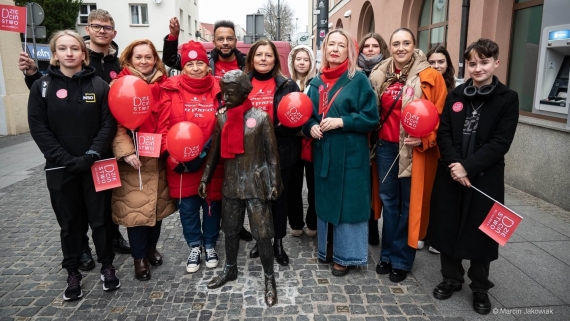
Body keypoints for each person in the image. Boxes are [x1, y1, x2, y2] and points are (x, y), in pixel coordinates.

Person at [18, 9, 130, 272]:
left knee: (102, 214)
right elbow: (40, 126)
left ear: (83, 53)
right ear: (55, 54)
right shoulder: (43, 85)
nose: (69, 53)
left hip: (99, 159)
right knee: (71, 217)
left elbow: (108, 121)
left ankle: (108, 256)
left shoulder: (111, 72)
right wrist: (66, 159)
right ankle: (79, 253)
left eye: (74, 49)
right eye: (62, 48)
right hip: (62, 164)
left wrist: (92, 154)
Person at [429, 39, 519, 315]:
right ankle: (451, 277)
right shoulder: (456, 95)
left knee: (483, 231)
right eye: (472, 63)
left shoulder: (507, 98)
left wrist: (468, 167)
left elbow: (500, 142)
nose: (478, 68)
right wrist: (455, 165)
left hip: (484, 177)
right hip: (451, 174)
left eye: (483, 62)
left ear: (496, 63)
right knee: (448, 224)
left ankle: (480, 286)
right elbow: (443, 132)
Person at [162, 18, 252, 241]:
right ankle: (197, 244)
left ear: (235, 40)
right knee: (190, 207)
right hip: (185, 160)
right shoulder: (176, 87)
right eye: (220, 38)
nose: (225, 42)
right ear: (213, 41)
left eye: (229, 38)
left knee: (220, 199)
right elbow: (174, 59)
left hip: (220, 151)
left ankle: (227, 232)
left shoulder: (244, 64)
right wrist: (173, 38)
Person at [369, 28, 447, 283]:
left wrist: (425, 137)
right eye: (396, 43)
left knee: (408, 205)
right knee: (389, 202)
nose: (401, 48)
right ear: (389, 47)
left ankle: (402, 259)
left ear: (414, 45)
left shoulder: (431, 76)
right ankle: (388, 254)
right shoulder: (379, 74)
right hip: (385, 147)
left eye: (406, 43)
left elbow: (441, 118)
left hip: (414, 149)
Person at [200, 70, 281, 307]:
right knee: (231, 229)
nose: (225, 96)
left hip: (256, 184)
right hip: (232, 183)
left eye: (230, 92)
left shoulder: (262, 118)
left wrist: (275, 183)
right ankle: (230, 268)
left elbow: (272, 154)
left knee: (264, 233)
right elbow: (214, 151)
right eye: (223, 91)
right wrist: (205, 177)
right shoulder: (222, 118)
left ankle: (269, 277)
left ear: (244, 91)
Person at [302, 29, 379, 276]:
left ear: (350, 51)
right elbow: (307, 115)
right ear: (324, 50)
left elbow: (371, 118)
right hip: (325, 151)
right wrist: (310, 126)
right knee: (326, 201)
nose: (335, 49)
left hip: (351, 153)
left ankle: (346, 256)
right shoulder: (316, 82)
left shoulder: (358, 81)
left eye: (340, 45)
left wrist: (342, 121)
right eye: (330, 44)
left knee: (348, 204)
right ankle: (327, 248)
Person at [110, 39, 176, 281]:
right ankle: (139, 258)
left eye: (148, 56)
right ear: (129, 58)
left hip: (157, 156)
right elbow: (115, 124)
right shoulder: (119, 84)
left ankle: (150, 248)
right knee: (136, 211)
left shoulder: (164, 84)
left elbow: (171, 119)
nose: (144, 61)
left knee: (156, 210)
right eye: (139, 57)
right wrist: (126, 151)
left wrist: (169, 146)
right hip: (133, 161)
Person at [161, 41, 224, 274]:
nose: (196, 68)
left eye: (200, 63)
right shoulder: (170, 88)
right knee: (188, 208)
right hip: (181, 163)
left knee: (211, 206)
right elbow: (163, 126)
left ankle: (210, 243)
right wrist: (171, 157)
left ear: (208, 66)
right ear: (183, 67)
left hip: (211, 159)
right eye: (190, 64)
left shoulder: (220, 88)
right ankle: (195, 245)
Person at [245, 39, 300, 266]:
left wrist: (275, 131)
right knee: (258, 200)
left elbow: (297, 119)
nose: (263, 59)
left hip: (281, 151)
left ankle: (278, 241)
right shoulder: (242, 83)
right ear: (252, 58)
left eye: (268, 55)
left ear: (275, 60)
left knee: (278, 199)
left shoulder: (288, 85)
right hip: (250, 154)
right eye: (259, 55)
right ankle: (261, 239)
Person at [421, 45, 457, 254]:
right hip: (429, 146)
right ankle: (424, 232)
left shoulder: (455, 89)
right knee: (428, 193)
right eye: (432, 62)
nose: (436, 66)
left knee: (444, 196)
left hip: (448, 148)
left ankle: (438, 237)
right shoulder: (424, 83)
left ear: (448, 64)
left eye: (440, 62)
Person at [357, 32, 390, 246]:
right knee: (365, 186)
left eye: (374, 46)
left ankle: (379, 228)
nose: (370, 49)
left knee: (382, 187)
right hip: (361, 137)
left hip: (383, 137)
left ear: (381, 49)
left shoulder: (389, 72)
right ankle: (368, 228)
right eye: (366, 46)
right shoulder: (356, 73)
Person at [287, 45, 317, 238]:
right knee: (293, 185)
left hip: (312, 140)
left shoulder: (317, 83)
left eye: (306, 59)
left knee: (314, 185)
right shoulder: (286, 84)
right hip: (291, 142)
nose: (302, 62)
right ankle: (296, 222)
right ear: (292, 61)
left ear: (311, 62)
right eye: (298, 58)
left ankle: (312, 223)